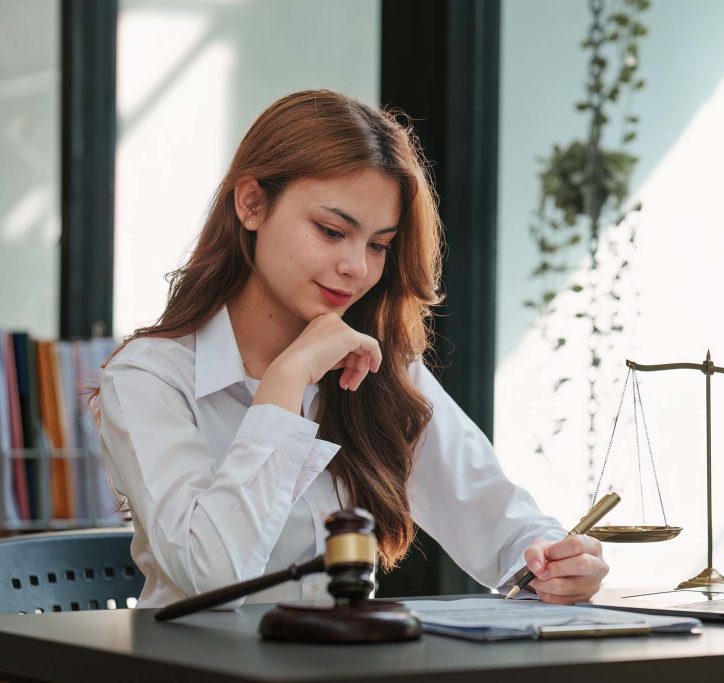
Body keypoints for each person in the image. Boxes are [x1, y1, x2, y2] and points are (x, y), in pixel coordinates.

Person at [96, 90, 608, 609]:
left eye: (378, 245)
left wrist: (553, 561)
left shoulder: (378, 367)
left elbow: (502, 523)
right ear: (251, 204)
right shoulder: (149, 378)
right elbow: (210, 579)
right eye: (331, 231)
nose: (357, 268)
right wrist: (286, 381)